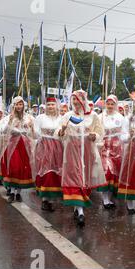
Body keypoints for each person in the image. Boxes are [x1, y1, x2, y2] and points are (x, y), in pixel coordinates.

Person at [57, 90, 106, 226]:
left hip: (87, 151)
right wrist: (62, 130)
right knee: (75, 178)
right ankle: (80, 211)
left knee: (85, 179)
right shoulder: (67, 116)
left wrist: (94, 135)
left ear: (84, 100)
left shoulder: (93, 116)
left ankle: (77, 206)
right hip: (72, 151)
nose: (76, 104)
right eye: (74, 101)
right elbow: (59, 133)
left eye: (78, 100)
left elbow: (100, 131)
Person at [0, 96, 36, 203]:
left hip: (25, 146)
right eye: (17, 104)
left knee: (22, 169)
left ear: (23, 106)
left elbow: (35, 134)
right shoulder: (9, 117)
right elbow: (3, 131)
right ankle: (11, 192)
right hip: (12, 146)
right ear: (13, 106)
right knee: (13, 168)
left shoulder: (29, 118)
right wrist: (10, 122)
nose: (19, 106)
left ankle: (18, 193)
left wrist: (31, 127)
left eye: (21, 104)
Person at [34, 97, 63, 212]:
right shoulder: (40, 118)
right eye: (49, 104)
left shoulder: (61, 118)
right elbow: (36, 132)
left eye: (53, 104)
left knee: (55, 171)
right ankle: (45, 199)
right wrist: (42, 139)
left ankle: (51, 200)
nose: (51, 106)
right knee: (45, 171)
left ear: (56, 106)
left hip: (57, 148)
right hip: (44, 147)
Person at [97, 94, 124, 209]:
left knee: (114, 172)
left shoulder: (120, 117)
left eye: (112, 104)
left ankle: (109, 196)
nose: (110, 106)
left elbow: (124, 133)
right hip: (104, 148)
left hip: (117, 148)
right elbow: (96, 131)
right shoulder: (100, 117)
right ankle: (105, 200)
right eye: (108, 103)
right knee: (106, 171)